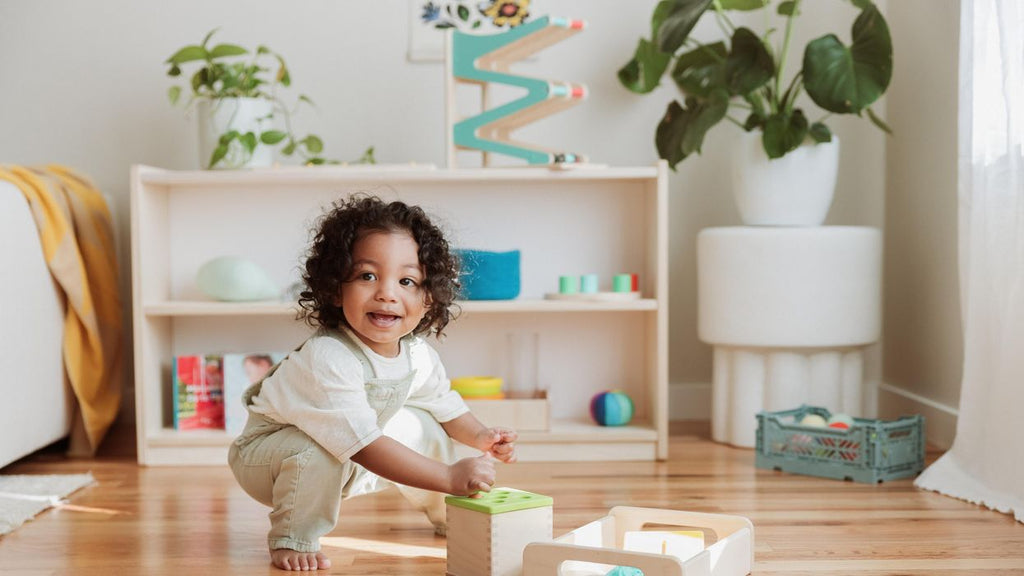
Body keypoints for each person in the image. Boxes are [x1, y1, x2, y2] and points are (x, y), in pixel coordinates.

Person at [228, 194, 517, 571]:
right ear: (335, 288)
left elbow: (446, 406)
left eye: (407, 280)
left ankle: (449, 513)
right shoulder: (328, 357)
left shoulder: (417, 354)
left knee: (425, 423)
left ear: (428, 298)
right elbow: (364, 445)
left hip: (345, 455)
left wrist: (481, 437)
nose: (387, 292)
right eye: (367, 276)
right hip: (270, 460)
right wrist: (448, 474)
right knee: (313, 449)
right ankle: (293, 537)